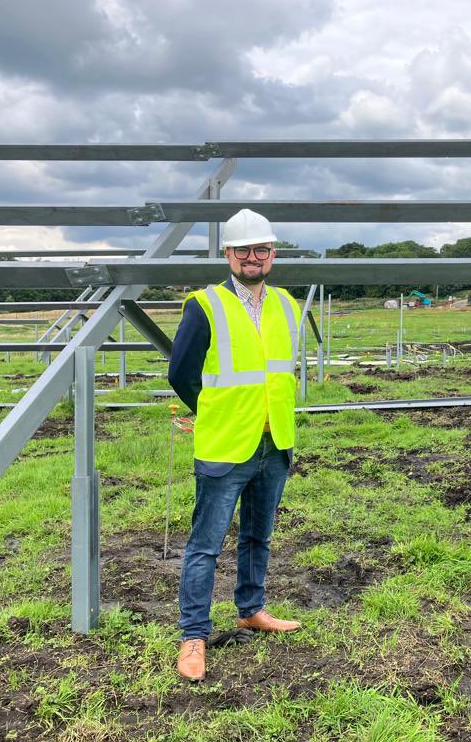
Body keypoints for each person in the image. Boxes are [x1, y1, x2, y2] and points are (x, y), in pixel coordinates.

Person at [168, 209, 302, 682]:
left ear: (272, 254)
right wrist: (214, 413)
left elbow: (281, 372)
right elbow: (180, 373)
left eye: (260, 249)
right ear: (227, 254)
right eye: (242, 249)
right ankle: (194, 636)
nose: (252, 257)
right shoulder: (203, 305)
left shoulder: (287, 304)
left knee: (256, 536)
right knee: (205, 545)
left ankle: (251, 608)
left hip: (274, 441)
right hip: (226, 444)